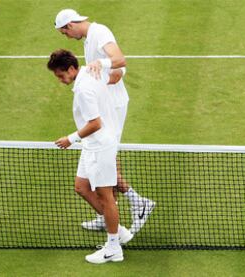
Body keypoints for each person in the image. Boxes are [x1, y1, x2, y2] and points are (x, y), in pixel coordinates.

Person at [54, 9, 155, 235]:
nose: (67, 38)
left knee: (106, 162)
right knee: (103, 164)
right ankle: (108, 215)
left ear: (70, 25)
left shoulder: (100, 32)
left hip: (113, 107)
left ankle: (138, 203)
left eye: (64, 33)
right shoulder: (89, 39)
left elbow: (119, 63)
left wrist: (99, 70)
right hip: (105, 104)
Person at [48, 49, 128, 263]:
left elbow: (95, 123)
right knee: (81, 186)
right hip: (92, 145)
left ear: (72, 68)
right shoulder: (93, 72)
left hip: (100, 145)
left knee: (106, 196)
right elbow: (120, 70)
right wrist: (103, 64)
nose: (60, 80)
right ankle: (119, 231)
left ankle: (113, 248)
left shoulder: (84, 89)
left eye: (60, 75)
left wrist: (70, 138)